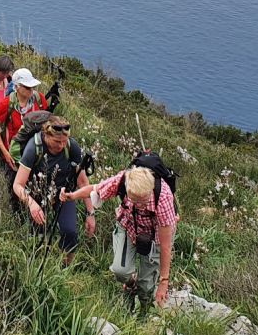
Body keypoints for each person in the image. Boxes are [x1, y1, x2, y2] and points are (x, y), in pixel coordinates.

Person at [78, 160, 178, 312]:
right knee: (120, 271)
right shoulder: (123, 180)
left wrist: (164, 282)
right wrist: (71, 195)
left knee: (146, 286)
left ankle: (143, 313)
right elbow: (95, 189)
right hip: (129, 225)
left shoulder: (163, 197)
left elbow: (165, 245)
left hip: (157, 235)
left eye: (144, 200)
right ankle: (131, 284)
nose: (140, 206)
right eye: (135, 201)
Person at [12, 115, 96, 257]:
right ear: (46, 135)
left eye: (64, 141)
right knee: (37, 234)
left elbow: (82, 182)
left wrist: (90, 213)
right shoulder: (34, 148)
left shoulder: (72, 146)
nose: (61, 145)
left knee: (70, 232)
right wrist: (31, 204)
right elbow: (18, 185)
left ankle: (67, 268)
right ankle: (36, 261)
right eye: (57, 141)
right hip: (37, 193)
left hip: (64, 193)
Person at [1, 68, 48, 207]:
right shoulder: (7, 104)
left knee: (35, 187)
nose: (31, 90)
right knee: (15, 189)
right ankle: (17, 218)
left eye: (32, 87)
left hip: (36, 152)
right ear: (16, 87)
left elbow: (46, 122)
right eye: (27, 87)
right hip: (14, 155)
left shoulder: (39, 99)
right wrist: (5, 151)